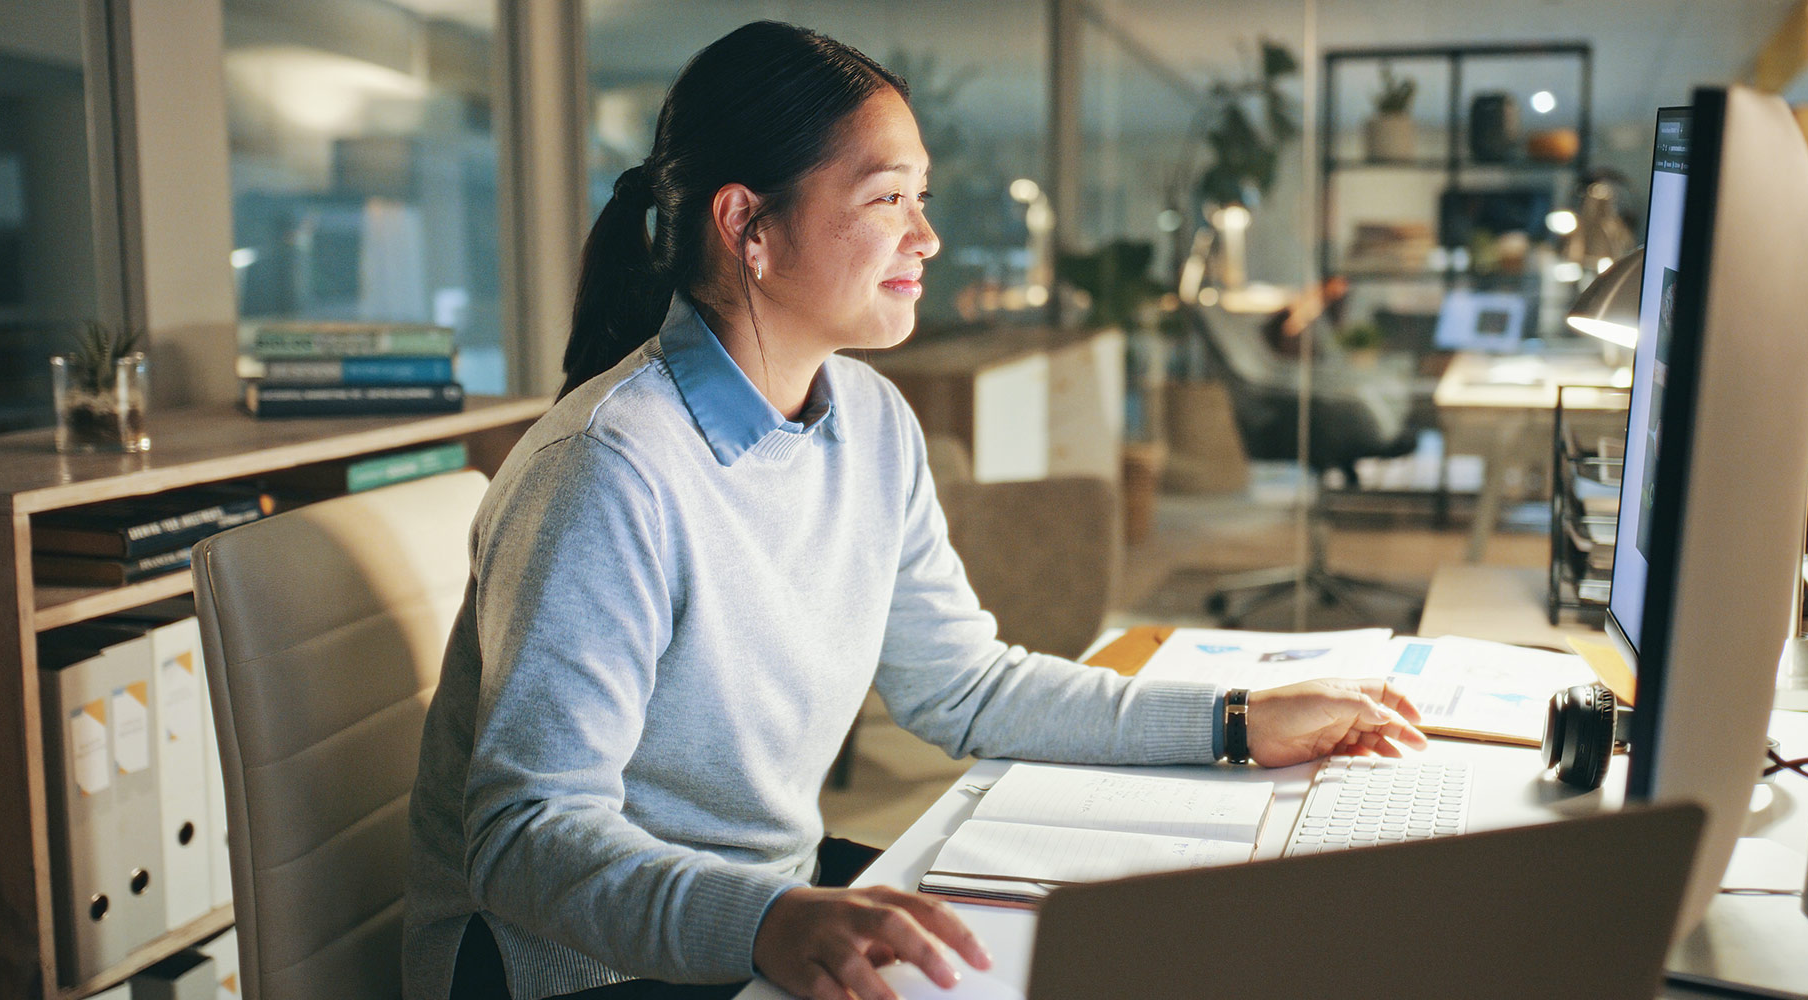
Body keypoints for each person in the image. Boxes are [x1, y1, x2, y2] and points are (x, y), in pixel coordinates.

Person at [404, 21, 1428, 1000]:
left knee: (1132, 941)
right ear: (744, 224)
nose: (927, 236)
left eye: (920, 196)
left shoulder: (868, 421)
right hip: (578, 967)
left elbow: (965, 688)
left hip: (766, 907)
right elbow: (524, 838)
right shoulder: (610, 469)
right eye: (887, 197)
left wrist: (1235, 721)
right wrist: (769, 919)